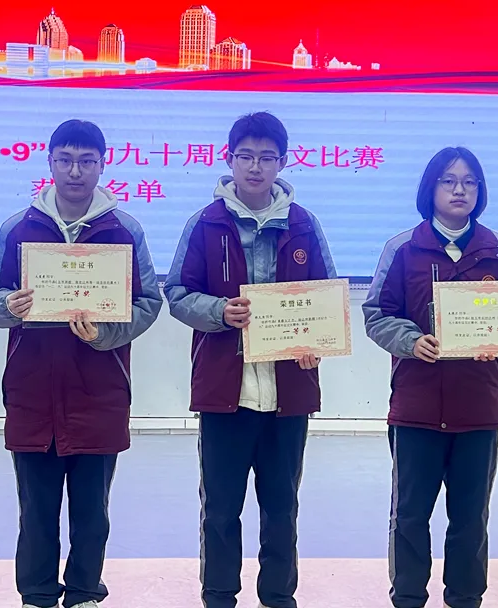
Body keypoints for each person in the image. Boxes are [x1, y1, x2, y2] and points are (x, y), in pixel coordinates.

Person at [0, 119, 161, 608]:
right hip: (32, 390)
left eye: (86, 161)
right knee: (36, 511)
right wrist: (8, 306)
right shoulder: (18, 229)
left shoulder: (124, 231)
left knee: (91, 513)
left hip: (99, 390)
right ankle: (36, 594)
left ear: (102, 165)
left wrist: (106, 334)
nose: (75, 171)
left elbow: (148, 303)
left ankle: (83, 592)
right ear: (50, 163)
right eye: (65, 160)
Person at [164, 111, 336, 608]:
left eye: (266, 157)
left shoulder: (304, 225)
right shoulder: (205, 223)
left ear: (282, 162)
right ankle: (219, 596)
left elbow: (325, 298)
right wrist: (219, 312)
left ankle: (278, 596)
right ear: (230, 159)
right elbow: (177, 293)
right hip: (225, 391)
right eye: (246, 156)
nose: (255, 167)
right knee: (220, 509)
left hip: (288, 392)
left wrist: (316, 342)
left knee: (282, 506)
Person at [362, 147, 498, 608]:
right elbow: (377, 314)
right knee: (410, 516)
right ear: (430, 188)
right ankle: (408, 597)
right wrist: (411, 340)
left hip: (479, 408)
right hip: (416, 408)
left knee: (471, 518)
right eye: (449, 181)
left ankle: (466, 598)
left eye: (470, 181)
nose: (460, 190)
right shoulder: (403, 248)